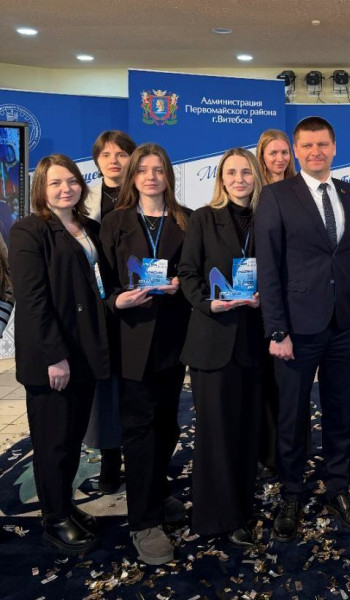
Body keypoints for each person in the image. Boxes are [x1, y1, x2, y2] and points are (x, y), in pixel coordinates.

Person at [256, 116, 350, 542]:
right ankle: (292, 493)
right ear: (296, 150)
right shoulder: (276, 195)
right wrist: (276, 330)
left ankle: (338, 487)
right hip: (296, 328)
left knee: (341, 411)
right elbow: (269, 267)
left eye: (322, 144)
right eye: (306, 145)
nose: (315, 152)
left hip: (343, 325)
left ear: (334, 147)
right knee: (292, 416)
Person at [9, 154, 110, 554]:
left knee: (71, 439)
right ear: (41, 188)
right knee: (53, 442)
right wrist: (55, 356)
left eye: (71, 181)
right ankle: (54, 520)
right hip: (53, 357)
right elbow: (32, 300)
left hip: (84, 351)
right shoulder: (29, 231)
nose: (65, 188)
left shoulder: (89, 228)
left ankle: (64, 505)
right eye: (55, 182)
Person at [100, 143, 191, 565]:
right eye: (143, 170)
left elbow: (194, 273)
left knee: (168, 424)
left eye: (158, 169)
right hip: (132, 337)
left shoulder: (186, 219)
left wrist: (181, 286)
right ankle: (144, 522)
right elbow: (102, 281)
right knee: (138, 429)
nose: (151, 177)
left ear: (168, 175)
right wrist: (116, 300)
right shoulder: (115, 222)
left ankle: (155, 490)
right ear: (133, 176)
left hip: (172, 337)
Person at [179, 148, 265, 547]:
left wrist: (267, 298)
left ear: (256, 176)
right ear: (221, 179)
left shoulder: (268, 217)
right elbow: (187, 272)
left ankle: (242, 508)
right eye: (231, 172)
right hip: (212, 339)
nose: (239, 179)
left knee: (247, 430)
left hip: (254, 340)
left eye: (246, 172)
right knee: (215, 432)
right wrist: (207, 302)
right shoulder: (202, 218)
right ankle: (216, 515)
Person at [83, 130, 137, 495]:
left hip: (138, 301)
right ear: (97, 161)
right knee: (105, 386)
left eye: (121, 154)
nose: (114, 161)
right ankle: (109, 458)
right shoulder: (84, 198)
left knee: (136, 385)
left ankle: (140, 454)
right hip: (99, 304)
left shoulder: (146, 192)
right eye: (106, 155)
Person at [255, 128, 297, 481]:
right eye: (273, 153)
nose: (280, 158)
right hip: (255, 298)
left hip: (293, 300)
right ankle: (265, 449)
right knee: (263, 381)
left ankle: (289, 451)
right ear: (262, 157)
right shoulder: (252, 193)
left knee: (290, 384)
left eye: (285, 152)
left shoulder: (299, 191)